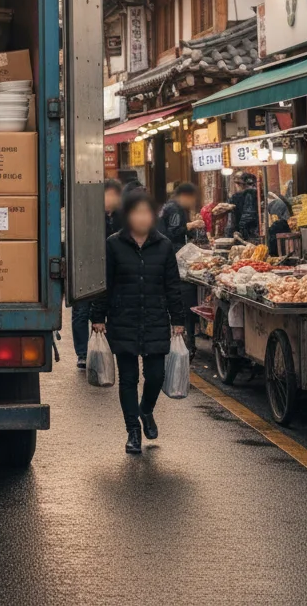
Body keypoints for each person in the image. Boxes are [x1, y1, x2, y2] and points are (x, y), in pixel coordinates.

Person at [91, 189, 186, 455]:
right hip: (124, 318)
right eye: (136, 212)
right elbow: (104, 285)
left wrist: (178, 319)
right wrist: (98, 316)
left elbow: (172, 286)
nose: (142, 217)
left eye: (146, 212)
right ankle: (133, 431)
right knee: (128, 378)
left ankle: (146, 410)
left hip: (155, 317)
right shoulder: (113, 244)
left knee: (156, 375)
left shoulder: (164, 245)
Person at [72, 178, 123, 369]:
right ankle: (83, 353)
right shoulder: (87, 214)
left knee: (108, 309)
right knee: (82, 311)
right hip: (85, 269)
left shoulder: (121, 217)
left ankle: (105, 348)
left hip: (110, 270)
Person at [157, 181, 203, 250]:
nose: (193, 201)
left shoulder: (177, 207)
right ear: (184, 196)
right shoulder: (174, 209)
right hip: (169, 249)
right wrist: (191, 225)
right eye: (192, 198)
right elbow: (173, 233)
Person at [226, 172, 261, 242]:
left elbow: (246, 216)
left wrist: (230, 234)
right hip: (256, 232)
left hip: (243, 234)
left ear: (240, 184)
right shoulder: (258, 195)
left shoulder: (236, 197)